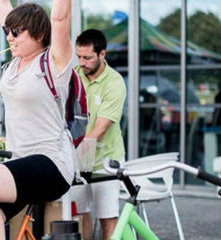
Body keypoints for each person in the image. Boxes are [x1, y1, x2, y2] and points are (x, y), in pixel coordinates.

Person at [0, 1, 76, 239]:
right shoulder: (14, 63)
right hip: (20, 163)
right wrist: (10, 24)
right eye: (7, 31)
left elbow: (60, 18)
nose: (10, 37)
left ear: (39, 34)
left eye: (16, 32)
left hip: (51, 163)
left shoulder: (53, 62)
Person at [72, 29, 126, 240]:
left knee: (107, 217)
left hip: (106, 160)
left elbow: (100, 130)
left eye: (87, 57)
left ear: (102, 54)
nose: (82, 62)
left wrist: (76, 158)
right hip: (79, 158)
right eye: (79, 57)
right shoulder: (74, 76)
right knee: (80, 213)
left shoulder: (114, 83)